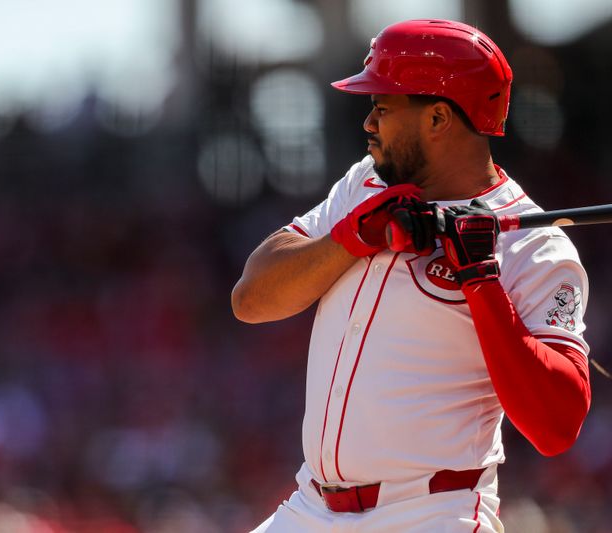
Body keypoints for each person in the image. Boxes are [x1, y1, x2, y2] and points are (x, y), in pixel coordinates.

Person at [231, 19, 591, 532]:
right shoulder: (366, 182)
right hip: (310, 507)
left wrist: (482, 281)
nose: (368, 124)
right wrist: (350, 239)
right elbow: (251, 299)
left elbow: (557, 425)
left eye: (382, 106)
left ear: (439, 117)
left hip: (431, 512)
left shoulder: (535, 246)